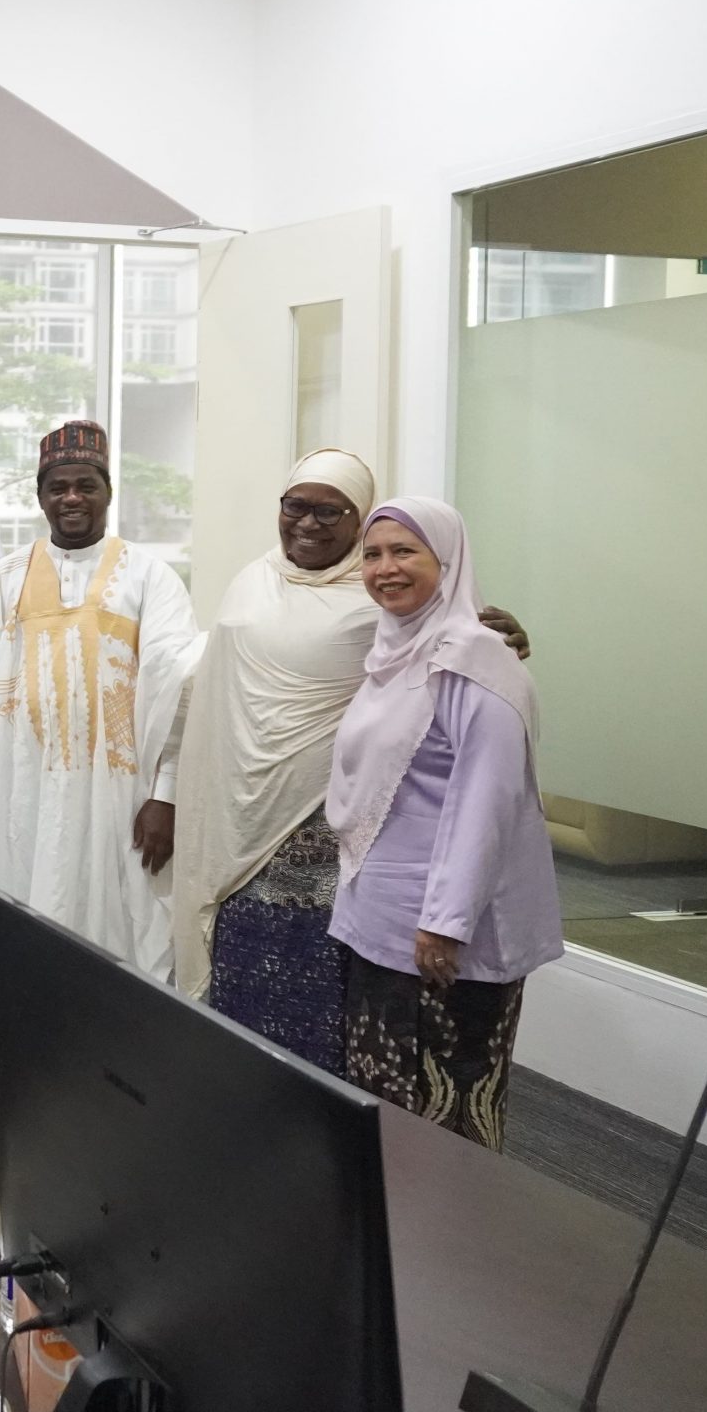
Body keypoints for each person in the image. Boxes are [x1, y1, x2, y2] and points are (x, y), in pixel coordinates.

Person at [170, 452, 530, 1073]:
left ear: (357, 518)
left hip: (329, 827)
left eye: (331, 511)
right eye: (296, 506)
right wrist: (168, 788)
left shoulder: (383, 599)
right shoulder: (252, 580)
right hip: (238, 821)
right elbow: (206, 687)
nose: (309, 523)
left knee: (328, 1006)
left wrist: (501, 635)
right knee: (244, 984)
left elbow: (453, 640)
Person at [327, 498, 560, 1150]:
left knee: (446, 1117)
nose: (386, 568)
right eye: (373, 554)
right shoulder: (394, 651)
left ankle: (450, 1220)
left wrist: (446, 921)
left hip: (440, 938)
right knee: (384, 1102)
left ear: (449, 562)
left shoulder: (476, 661)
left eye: (406, 551)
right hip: (380, 921)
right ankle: (391, 1216)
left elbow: (488, 798)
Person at [0, 420, 195, 983]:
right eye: (58, 487)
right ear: (39, 496)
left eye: (86, 485)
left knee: (116, 928)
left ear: (108, 491)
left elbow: (178, 695)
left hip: (117, 797)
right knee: (17, 913)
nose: (72, 498)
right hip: (20, 787)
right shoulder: (2, 579)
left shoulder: (150, 578)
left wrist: (166, 796)